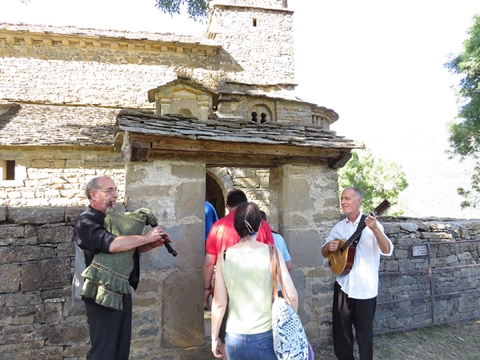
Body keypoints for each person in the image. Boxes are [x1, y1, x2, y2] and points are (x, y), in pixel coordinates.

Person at [73, 176, 171, 360]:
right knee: (103, 351)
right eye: (109, 190)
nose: (115, 195)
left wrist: (152, 244)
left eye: (115, 190)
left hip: (121, 288)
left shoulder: (114, 218)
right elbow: (110, 245)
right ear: (93, 194)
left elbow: (127, 249)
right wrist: (147, 237)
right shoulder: (85, 221)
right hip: (99, 292)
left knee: (121, 349)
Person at [210, 202, 298, 359]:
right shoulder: (272, 252)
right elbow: (291, 296)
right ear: (260, 225)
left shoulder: (224, 256)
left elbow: (219, 303)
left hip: (234, 336)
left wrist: (215, 337)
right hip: (266, 334)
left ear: (236, 225)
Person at [321, 187, 393, 360]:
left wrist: (375, 229)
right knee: (341, 333)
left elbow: (387, 249)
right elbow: (325, 252)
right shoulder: (339, 227)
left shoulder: (373, 225)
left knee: (364, 335)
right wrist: (327, 247)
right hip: (343, 287)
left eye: (347, 198)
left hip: (365, 289)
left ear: (359, 201)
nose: (343, 202)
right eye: (342, 199)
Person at [203, 189, 274, 333]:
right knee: (261, 331)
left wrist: (206, 288)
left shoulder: (218, 227)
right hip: (259, 287)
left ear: (228, 207)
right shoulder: (262, 225)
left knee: (227, 333)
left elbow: (210, 262)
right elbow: (272, 255)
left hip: (227, 287)